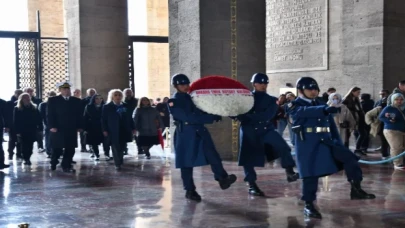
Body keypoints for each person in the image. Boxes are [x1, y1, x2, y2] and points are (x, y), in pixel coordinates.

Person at [287, 77, 375, 219]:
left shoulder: (320, 103)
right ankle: (308, 204)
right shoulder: (293, 105)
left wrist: (338, 142)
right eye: (310, 89)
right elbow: (302, 112)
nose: (313, 91)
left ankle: (356, 189)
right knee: (310, 174)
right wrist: (325, 109)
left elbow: (331, 126)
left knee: (350, 158)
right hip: (307, 144)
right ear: (301, 90)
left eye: (315, 89)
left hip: (326, 141)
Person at [168, 73, 237, 202]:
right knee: (186, 163)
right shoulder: (173, 102)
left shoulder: (193, 98)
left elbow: (202, 110)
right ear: (176, 86)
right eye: (182, 84)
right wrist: (209, 118)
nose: (186, 86)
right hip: (186, 134)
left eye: (187, 84)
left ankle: (222, 178)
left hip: (200, 131)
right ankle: (190, 190)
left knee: (213, 155)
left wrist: (216, 113)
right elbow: (188, 117)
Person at [235, 73, 298, 196]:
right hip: (249, 130)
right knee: (248, 158)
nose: (263, 85)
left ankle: (289, 171)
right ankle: (251, 184)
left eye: (265, 83)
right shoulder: (245, 98)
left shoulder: (271, 99)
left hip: (265, 129)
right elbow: (235, 113)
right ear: (254, 84)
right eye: (261, 83)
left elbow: (267, 116)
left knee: (283, 147)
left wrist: (245, 116)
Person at [47, 82, 83, 172]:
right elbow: (50, 114)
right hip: (58, 128)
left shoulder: (76, 101)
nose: (67, 91)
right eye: (64, 89)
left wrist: (79, 126)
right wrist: (52, 126)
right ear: (60, 90)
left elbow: (79, 115)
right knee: (57, 148)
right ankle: (53, 162)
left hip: (71, 128)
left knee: (70, 148)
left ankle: (66, 166)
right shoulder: (53, 100)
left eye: (68, 89)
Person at [102, 89, 135, 170]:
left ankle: (120, 160)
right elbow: (103, 119)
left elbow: (130, 118)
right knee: (115, 146)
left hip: (124, 129)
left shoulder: (125, 106)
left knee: (122, 146)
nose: (118, 97)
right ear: (112, 96)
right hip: (113, 129)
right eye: (116, 95)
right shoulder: (107, 107)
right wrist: (104, 130)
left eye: (119, 95)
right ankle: (117, 163)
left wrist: (133, 128)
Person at [13, 93, 43, 165]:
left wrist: (40, 127)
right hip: (23, 129)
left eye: (28, 98)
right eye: (25, 98)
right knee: (24, 145)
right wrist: (17, 131)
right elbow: (15, 120)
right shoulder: (17, 108)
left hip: (32, 129)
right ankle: (26, 158)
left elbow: (39, 118)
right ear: (22, 99)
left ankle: (28, 156)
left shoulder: (34, 107)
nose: (27, 99)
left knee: (30, 144)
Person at [379, 93, 405, 169]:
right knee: (396, 147)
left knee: (402, 147)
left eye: (401, 99)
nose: (399, 101)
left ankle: (401, 161)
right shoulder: (389, 108)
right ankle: (397, 163)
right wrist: (389, 120)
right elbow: (381, 117)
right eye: (397, 99)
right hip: (391, 130)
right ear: (393, 100)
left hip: (402, 130)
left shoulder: (403, 108)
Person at [342, 87, 367, 155]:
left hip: (359, 119)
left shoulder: (356, 99)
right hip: (350, 119)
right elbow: (344, 110)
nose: (359, 94)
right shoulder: (346, 100)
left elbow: (359, 109)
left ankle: (357, 148)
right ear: (352, 92)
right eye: (357, 92)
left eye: (359, 92)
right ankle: (346, 150)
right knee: (347, 135)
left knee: (363, 134)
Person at [84, 94, 105, 161]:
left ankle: (106, 153)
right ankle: (96, 154)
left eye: (100, 98)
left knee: (105, 141)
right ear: (93, 99)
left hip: (102, 126)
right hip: (92, 126)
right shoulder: (89, 106)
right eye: (97, 98)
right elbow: (85, 117)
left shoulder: (105, 107)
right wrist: (85, 128)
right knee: (94, 142)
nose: (99, 100)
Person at [38, 91, 57, 158]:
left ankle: (56, 151)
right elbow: (41, 115)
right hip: (47, 124)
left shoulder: (58, 104)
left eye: (54, 95)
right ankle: (49, 151)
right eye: (51, 95)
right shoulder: (43, 104)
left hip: (57, 124)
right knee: (48, 138)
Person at [7, 89, 23, 160]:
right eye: (18, 94)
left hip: (19, 124)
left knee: (19, 140)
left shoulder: (22, 103)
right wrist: (7, 125)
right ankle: (11, 153)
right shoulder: (9, 103)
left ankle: (19, 153)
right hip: (12, 124)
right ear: (15, 94)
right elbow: (7, 115)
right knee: (12, 140)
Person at [123, 88, 138, 155]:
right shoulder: (122, 101)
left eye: (129, 92)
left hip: (136, 119)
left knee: (137, 135)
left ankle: (139, 148)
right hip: (126, 119)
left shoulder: (136, 101)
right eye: (127, 92)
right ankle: (124, 149)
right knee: (124, 135)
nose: (128, 93)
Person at [0, 97, 10, 170]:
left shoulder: (2, 102)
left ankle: (1, 163)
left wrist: (7, 125)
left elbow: (6, 115)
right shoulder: (2, 102)